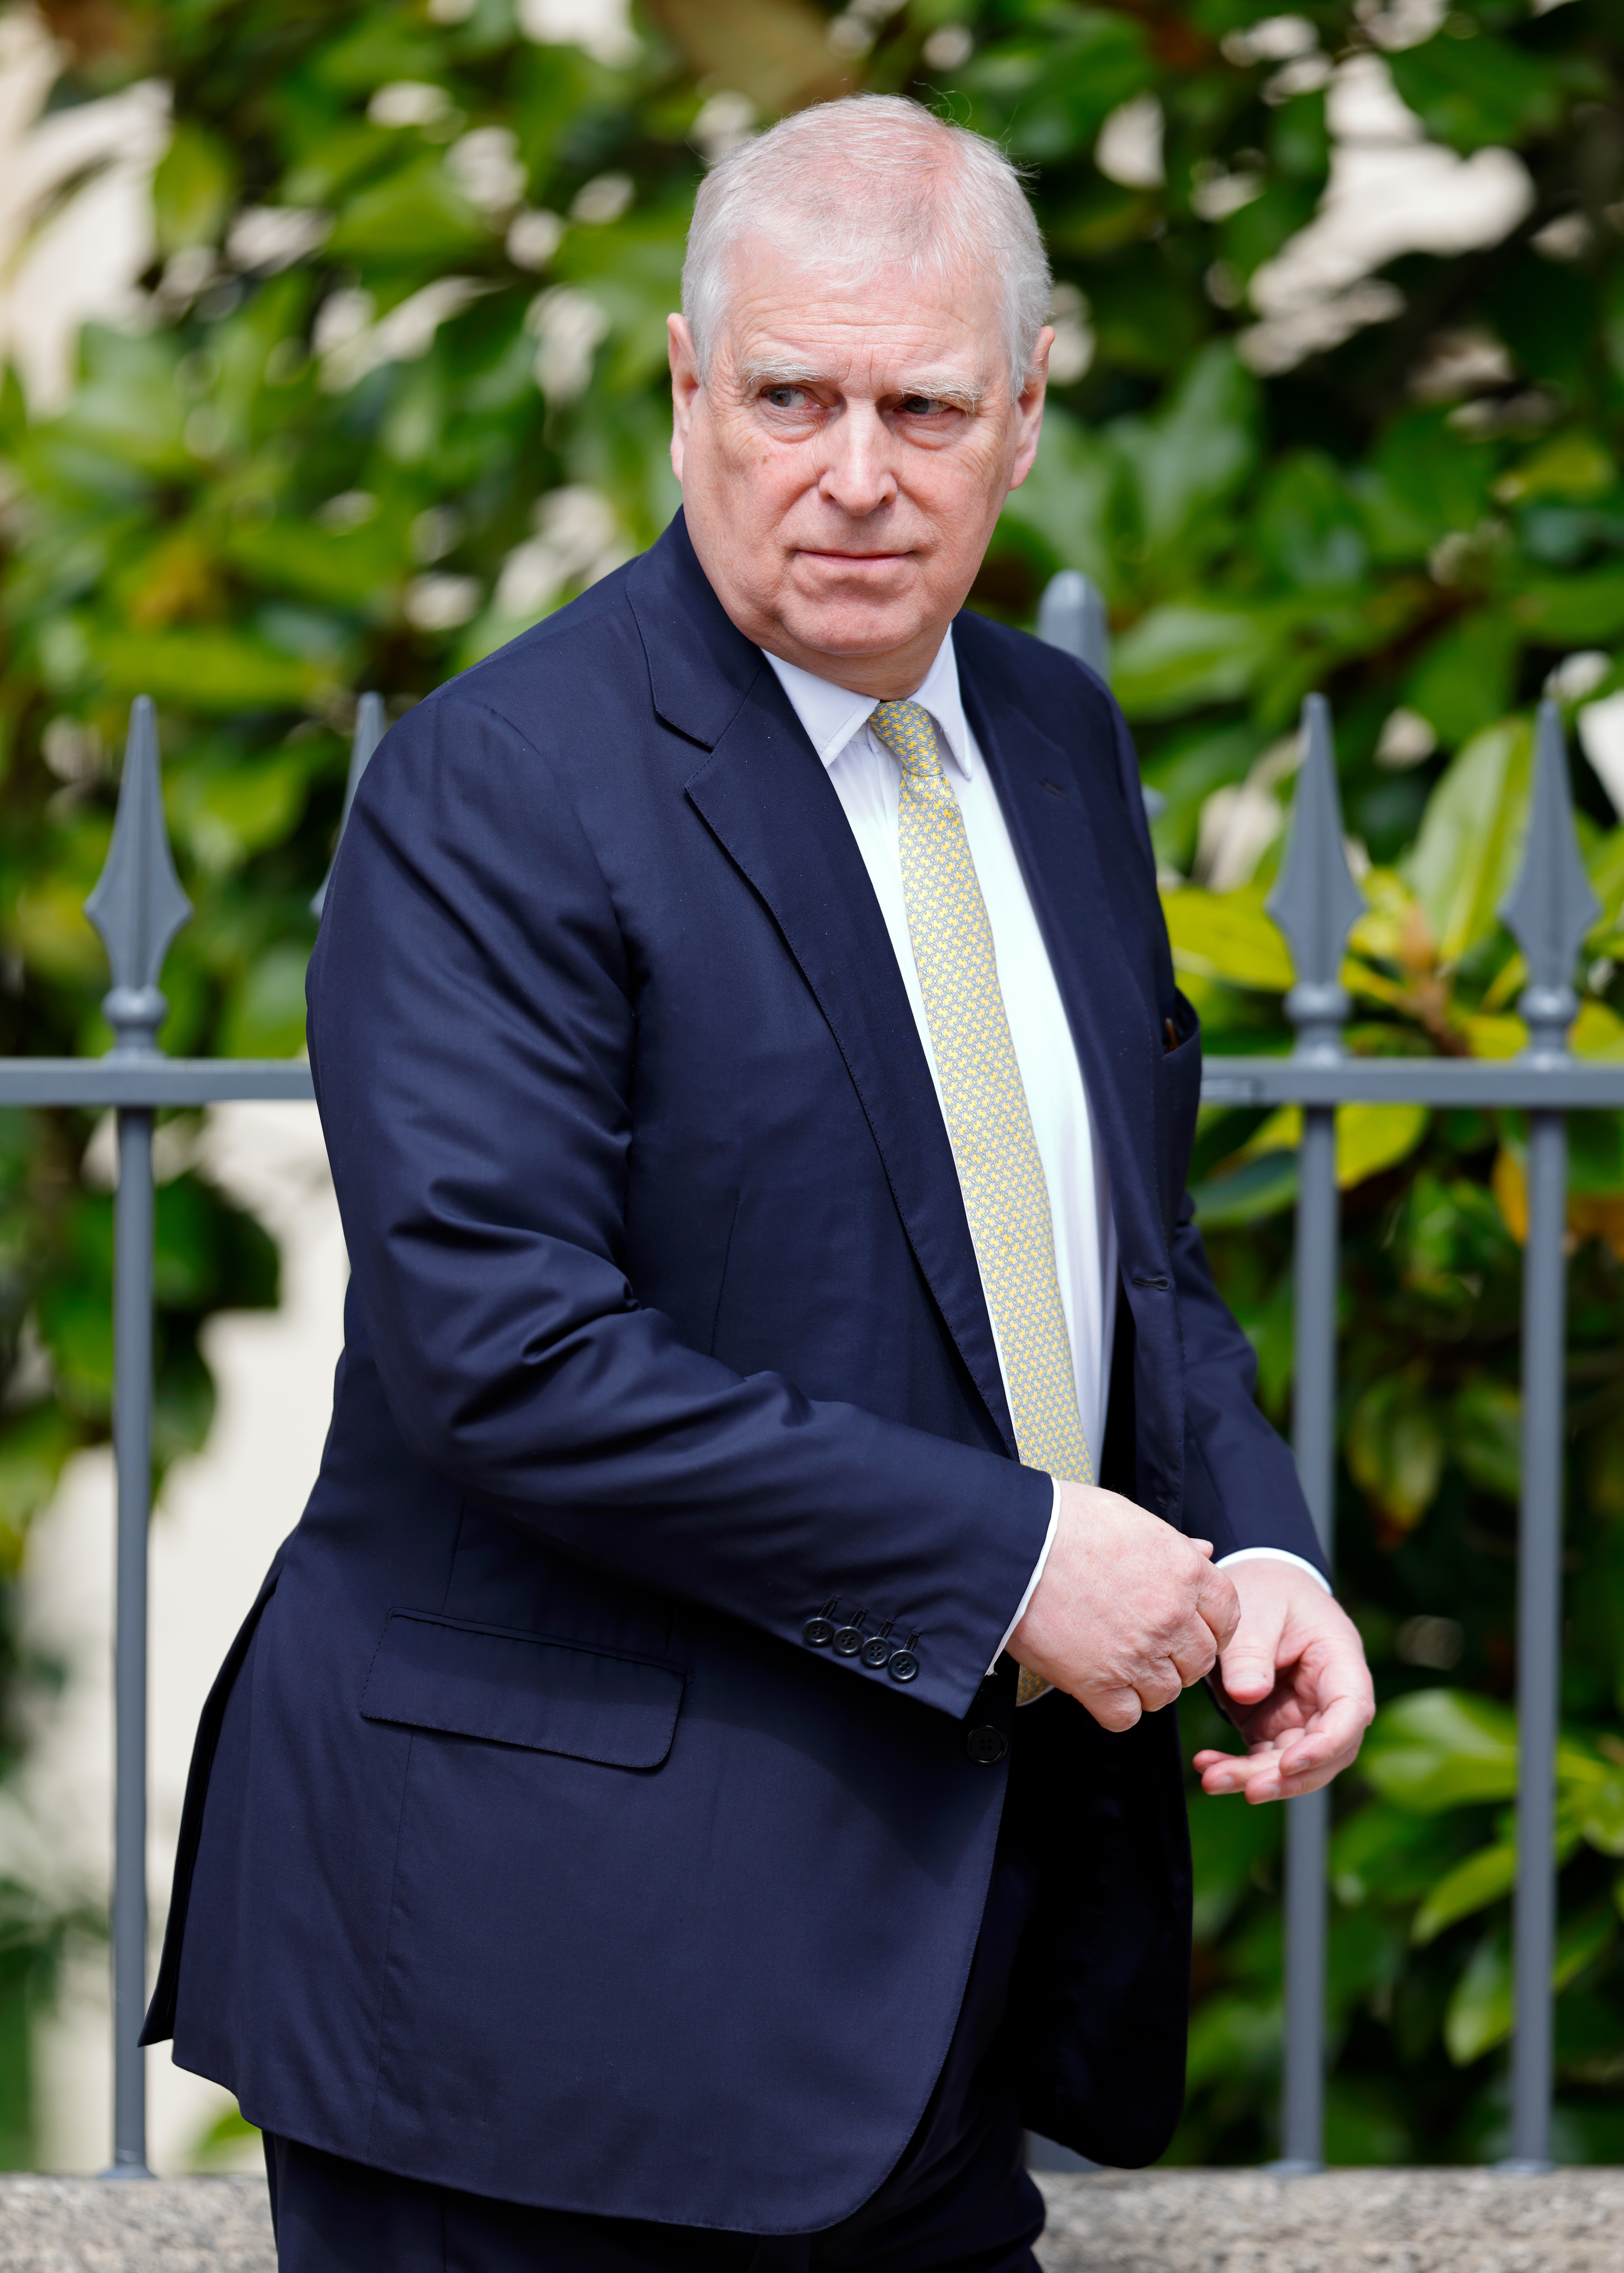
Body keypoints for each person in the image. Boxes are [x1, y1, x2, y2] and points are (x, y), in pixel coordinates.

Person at [144, 93, 1373, 2273]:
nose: (857, 473)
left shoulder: (1061, 745)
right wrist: (1017, 1563)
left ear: (1024, 414)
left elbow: (1123, 1249)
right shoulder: (504, 785)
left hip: (927, 2000)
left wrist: (1256, 1545)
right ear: (692, 391)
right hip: (532, 2017)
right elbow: (505, 1357)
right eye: (793, 396)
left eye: (921, 404)